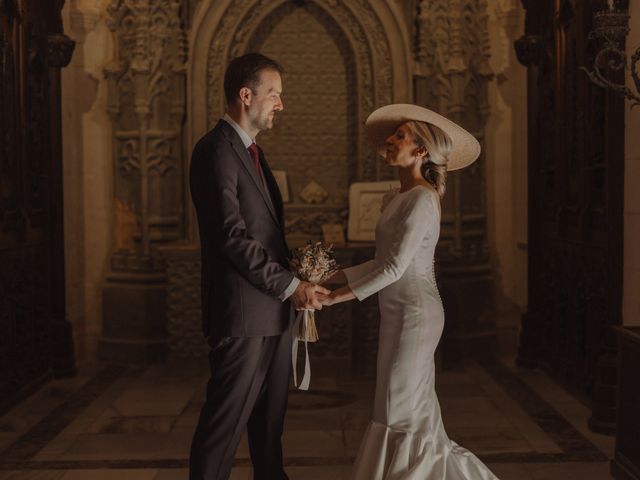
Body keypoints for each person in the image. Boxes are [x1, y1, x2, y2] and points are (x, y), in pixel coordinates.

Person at [321, 104, 500, 479]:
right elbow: (379, 261)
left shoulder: (422, 199)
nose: (389, 141)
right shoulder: (395, 198)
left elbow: (394, 268)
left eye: (399, 136)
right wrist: (331, 276)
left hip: (417, 314)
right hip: (396, 313)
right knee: (399, 407)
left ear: (421, 151)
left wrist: (335, 299)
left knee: (399, 407)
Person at [188, 53, 329, 480]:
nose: (280, 104)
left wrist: (299, 278)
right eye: (274, 94)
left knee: (269, 430)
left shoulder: (251, 151)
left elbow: (264, 233)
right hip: (243, 317)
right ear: (246, 95)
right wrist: (290, 286)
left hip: (273, 313)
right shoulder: (215, 151)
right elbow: (230, 237)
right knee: (223, 427)